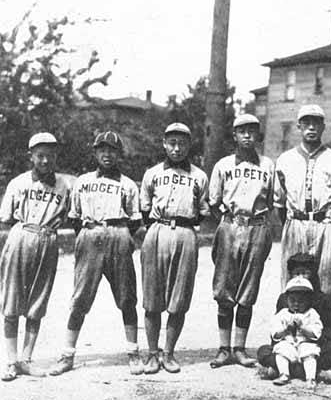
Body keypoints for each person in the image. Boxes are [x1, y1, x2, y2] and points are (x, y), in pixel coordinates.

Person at [49, 131, 143, 376]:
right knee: (80, 297)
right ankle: (67, 355)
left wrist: (119, 233)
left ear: (119, 154)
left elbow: (135, 220)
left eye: (112, 150)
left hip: (118, 232)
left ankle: (133, 353)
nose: (107, 154)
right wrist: (89, 233)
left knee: (127, 297)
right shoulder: (82, 181)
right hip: (90, 233)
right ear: (95, 153)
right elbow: (74, 217)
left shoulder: (128, 184)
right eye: (102, 150)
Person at [0, 133, 71, 381]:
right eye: (40, 156)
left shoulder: (64, 186)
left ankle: (26, 360)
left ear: (56, 156)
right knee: (12, 301)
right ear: (31, 157)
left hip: (48, 239)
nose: (45, 161)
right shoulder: (18, 182)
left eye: (50, 155)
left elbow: (69, 215)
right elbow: (7, 218)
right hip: (22, 236)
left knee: (37, 302)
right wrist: (24, 237)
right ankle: (11, 361)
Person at [138, 123, 209, 374]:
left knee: (179, 299)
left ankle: (168, 353)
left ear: (189, 145)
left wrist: (183, 226)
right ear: (164, 144)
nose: (177, 149)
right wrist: (158, 228)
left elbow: (202, 211)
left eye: (182, 143)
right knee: (151, 297)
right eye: (172, 143)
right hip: (157, 230)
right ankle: (152, 353)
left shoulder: (199, 176)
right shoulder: (152, 173)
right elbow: (145, 207)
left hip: (185, 232)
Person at [208, 114, 274, 369]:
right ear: (234, 135)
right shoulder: (223, 165)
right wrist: (228, 223)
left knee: (248, 291)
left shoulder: (267, 165)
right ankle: (224, 349)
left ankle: (239, 348)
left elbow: (271, 201)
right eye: (242, 131)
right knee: (224, 289)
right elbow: (213, 201)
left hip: (256, 226)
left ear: (258, 135)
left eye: (252, 131)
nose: (247, 135)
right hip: (230, 225)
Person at [273, 104, 331, 306]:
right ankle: (291, 324)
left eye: (316, 123)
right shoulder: (286, 159)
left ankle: (326, 324)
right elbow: (280, 202)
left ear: (323, 127)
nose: (311, 127)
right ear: (299, 126)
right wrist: (293, 223)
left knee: (327, 281)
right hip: (296, 223)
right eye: (306, 123)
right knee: (293, 281)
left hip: (325, 224)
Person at [256, 252, 331, 384]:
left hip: (313, 348)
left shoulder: (323, 299)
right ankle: (315, 372)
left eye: (305, 273)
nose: (300, 277)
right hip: (288, 347)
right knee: (263, 352)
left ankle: (284, 370)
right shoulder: (284, 299)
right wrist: (285, 335)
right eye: (296, 274)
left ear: (313, 274)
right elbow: (276, 328)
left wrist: (311, 336)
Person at [268, 276, 323, 388]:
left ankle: (310, 378)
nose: (296, 304)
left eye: (301, 301)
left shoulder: (312, 313)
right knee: (281, 349)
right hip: (288, 345)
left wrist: (303, 328)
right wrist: (286, 330)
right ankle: (284, 374)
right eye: (292, 300)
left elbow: (316, 334)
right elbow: (275, 334)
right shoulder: (283, 314)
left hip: (305, 344)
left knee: (310, 352)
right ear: (286, 300)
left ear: (309, 301)